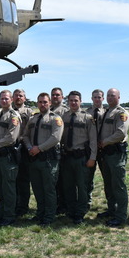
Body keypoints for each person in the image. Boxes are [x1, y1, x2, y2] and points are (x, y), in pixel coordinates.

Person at [23, 93, 63, 226]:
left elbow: (55, 138)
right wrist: (30, 148)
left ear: (50, 103)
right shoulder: (33, 119)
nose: (42, 104)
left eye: (45, 102)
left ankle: (49, 216)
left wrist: (39, 148)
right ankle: (40, 213)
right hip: (34, 159)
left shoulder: (55, 119)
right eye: (40, 102)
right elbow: (25, 136)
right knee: (37, 189)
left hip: (48, 160)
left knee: (49, 189)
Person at [60, 90, 96, 225]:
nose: (73, 103)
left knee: (82, 186)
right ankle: (71, 210)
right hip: (67, 156)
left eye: (76, 100)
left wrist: (92, 157)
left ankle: (80, 212)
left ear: (80, 101)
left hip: (81, 157)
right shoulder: (64, 117)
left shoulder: (87, 117)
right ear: (68, 102)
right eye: (71, 100)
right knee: (68, 186)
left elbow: (93, 140)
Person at [0, 90, 21, 227]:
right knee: (0, 186)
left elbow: (11, 138)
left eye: (7, 99)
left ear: (11, 99)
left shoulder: (13, 116)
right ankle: (0, 213)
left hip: (8, 157)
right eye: (2, 99)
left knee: (8, 188)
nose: (4, 101)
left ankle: (9, 216)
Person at [98, 88, 129, 227]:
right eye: (108, 96)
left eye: (113, 95)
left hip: (116, 153)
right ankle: (112, 209)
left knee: (118, 185)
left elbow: (121, 133)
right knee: (108, 184)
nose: (110, 98)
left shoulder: (121, 113)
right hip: (105, 154)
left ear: (119, 97)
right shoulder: (106, 112)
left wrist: (105, 142)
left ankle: (121, 216)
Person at [12, 88, 33, 217]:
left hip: (24, 148)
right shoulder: (8, 111)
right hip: (10, 147)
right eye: (16, 95)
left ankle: (23, 206)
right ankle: (12, 203)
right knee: (11, 178)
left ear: (24, 98)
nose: (18, 97)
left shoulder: (29, 112)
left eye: (21, 96)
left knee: (24, 179)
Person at [85, 89, 105, 214]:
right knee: (87, 177)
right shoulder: (86, 113)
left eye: (99, 97)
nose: (97, 99)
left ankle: (111, 205)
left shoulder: (107, 113)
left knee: (107, 178)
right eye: (95, 97)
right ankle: (87, 201)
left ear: (103, 99)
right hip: (90, 149)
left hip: (104, 149)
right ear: (91, 98)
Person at [50, 87, 68, 215]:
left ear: (62, 96)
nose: (55, 97)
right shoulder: (47, 110)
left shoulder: (66, 111)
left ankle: (64, 205)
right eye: (53, 95)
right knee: (53, 179)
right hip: (50, 150)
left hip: (64, 149)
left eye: (57, 95)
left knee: (63, 180)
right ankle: (55, 203)